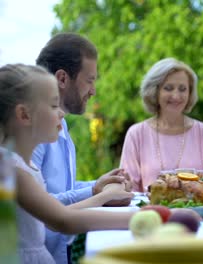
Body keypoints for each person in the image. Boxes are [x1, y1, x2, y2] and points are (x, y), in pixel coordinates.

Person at [0, 64, 135, 264]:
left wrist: (100, 194)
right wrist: (151, 218)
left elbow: (58, 216)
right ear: (24, 115)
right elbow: (63, 221)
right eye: (54, 105)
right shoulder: (11, 169)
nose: (62, 114)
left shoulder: (25, 166)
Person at [32, 33, 132, 264]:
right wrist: (98, 194)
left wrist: (97, 185)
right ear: (63, 78)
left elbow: (60, 188)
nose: (94, 90)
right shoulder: (33, 131)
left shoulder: (62, 125)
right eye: (90, 80)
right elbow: (43, 205)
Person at [120, 58, 203, 192]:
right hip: (150, 211)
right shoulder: (136, 134)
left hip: (195, 212)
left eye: (182, 89)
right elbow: (130, 190)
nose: (176, 96)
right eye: (168, 88)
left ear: (190, 93)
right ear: (155, 91)